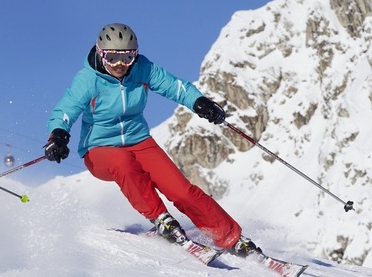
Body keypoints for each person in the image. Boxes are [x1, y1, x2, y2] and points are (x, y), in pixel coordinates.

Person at [43, 22, 262, 257]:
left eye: (127, 57)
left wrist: (200, 103)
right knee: (122, 162)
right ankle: (161, 218)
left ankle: (230, 237)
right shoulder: (88, 80)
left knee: (182, 191)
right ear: (100, 52)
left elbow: (175, 87)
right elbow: (66, 110)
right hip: (99, 149)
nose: (120, 65)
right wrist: (58, 134)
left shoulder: (142, 69)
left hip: (139, 142)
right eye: (112, 57)